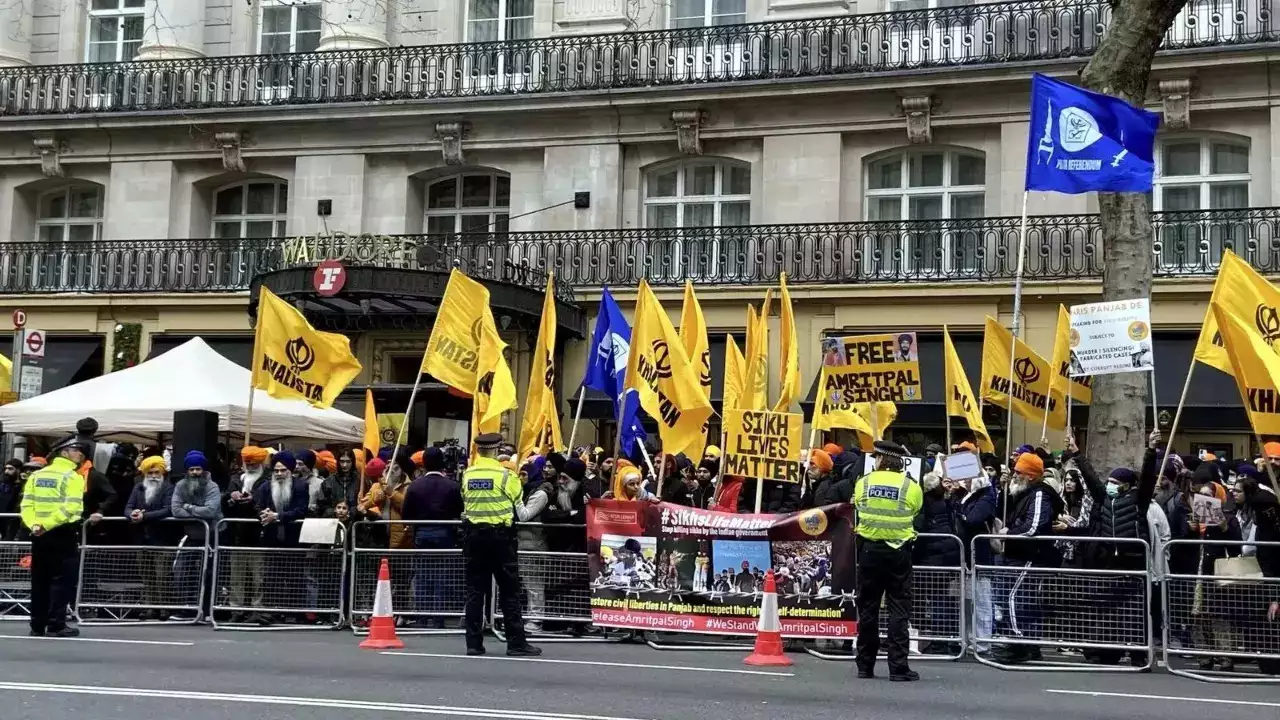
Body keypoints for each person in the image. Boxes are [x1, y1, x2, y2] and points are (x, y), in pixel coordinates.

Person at [459, 432, 542, 657]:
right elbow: (520, 511)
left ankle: (473, 644)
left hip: (474, 537)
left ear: (479, 450)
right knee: (510, 592)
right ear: (496, 451)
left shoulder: (467, 475)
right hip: (501, 539)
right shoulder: (507, 476)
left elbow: (466, 503)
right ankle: (516, 643)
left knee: (475, 592)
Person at [852, 439, 923, 681]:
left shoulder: (864, 483)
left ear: (881, 459)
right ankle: (898, 667)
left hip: (870, 552)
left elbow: (860, 508)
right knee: (898, 609)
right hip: (898, 552)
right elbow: (915, 510)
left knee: (868, 609)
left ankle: (865, 666)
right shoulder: (910, 486)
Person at [991, 451, 1064, 665]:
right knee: (1017, 599)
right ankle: (1028, 644)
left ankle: (1019, 641)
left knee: (1014, 597)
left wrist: (1008, 534)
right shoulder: (1021, 493)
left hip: (1031, 554)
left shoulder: (1040, 494)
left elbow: (1034, 527)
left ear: (1030, 475)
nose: (1014, 474)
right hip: (1018, 553)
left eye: (1018, 472)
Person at [21, 433, 89, 637]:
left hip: (38, 534)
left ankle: (37, 624)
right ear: (64, 452)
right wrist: (47, 525)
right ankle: (56, 623)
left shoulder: (37, 475)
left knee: (40, 580)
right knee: (62, 580)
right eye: (77, 451)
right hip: (62, 533)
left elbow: (26, 505)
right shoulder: (73, 477)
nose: (80, 455)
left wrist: (35, 525)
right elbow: (71, 508)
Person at [401, 447, 463, 628]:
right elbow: (458, 511)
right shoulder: (452, 486)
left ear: (424, 463)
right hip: (445, 533)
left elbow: (406, 513)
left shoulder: (415, 485)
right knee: (442, 577)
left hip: (422, 533)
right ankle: (438, 619)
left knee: (422, 576)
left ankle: (421, 618)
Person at [170, 451, 223, 619]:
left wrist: (189, 508)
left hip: (213, 534)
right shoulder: (180, 485)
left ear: (203, 470)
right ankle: (188, 608)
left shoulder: (212, 486)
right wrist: (196, 513)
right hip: (192, 536)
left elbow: (211, 510)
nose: (194, 472)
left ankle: (207, 610)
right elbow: (176, 510)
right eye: (191, 469)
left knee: (208, 573)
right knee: (182, 571)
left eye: (198, 469)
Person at [223, 445, 270, 624]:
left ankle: (257, 609)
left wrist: (253, 500)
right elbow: (225, 500)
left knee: (258, 576)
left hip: (257, 533)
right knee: (237, 575)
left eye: (253, 464)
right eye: (247, 464)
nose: (250, 467)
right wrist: (231, 497)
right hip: (238, 532)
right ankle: (237, 609)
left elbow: (266, 501)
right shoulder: (236, 478)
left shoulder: (266, 479)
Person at [125, 455, 175, 618]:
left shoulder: (168, 488)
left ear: (163, 473)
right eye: (150, 473)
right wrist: (131, 514)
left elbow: (168, 509)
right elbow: (128, 506)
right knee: (147, 576)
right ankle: (150, 607)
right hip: (142, 539)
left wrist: (145, 516)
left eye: (156, 473)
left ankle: (163, 608)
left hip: (162, 539)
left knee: (162, 577)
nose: (153, 476)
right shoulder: (138, 488)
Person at [0, 459, 22, 540]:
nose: (6, 471)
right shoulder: (3, 484)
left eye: (10, 469)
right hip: (3, 518)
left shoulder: (22, 485)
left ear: (18, 470)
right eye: (6, 469)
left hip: (14, 519)